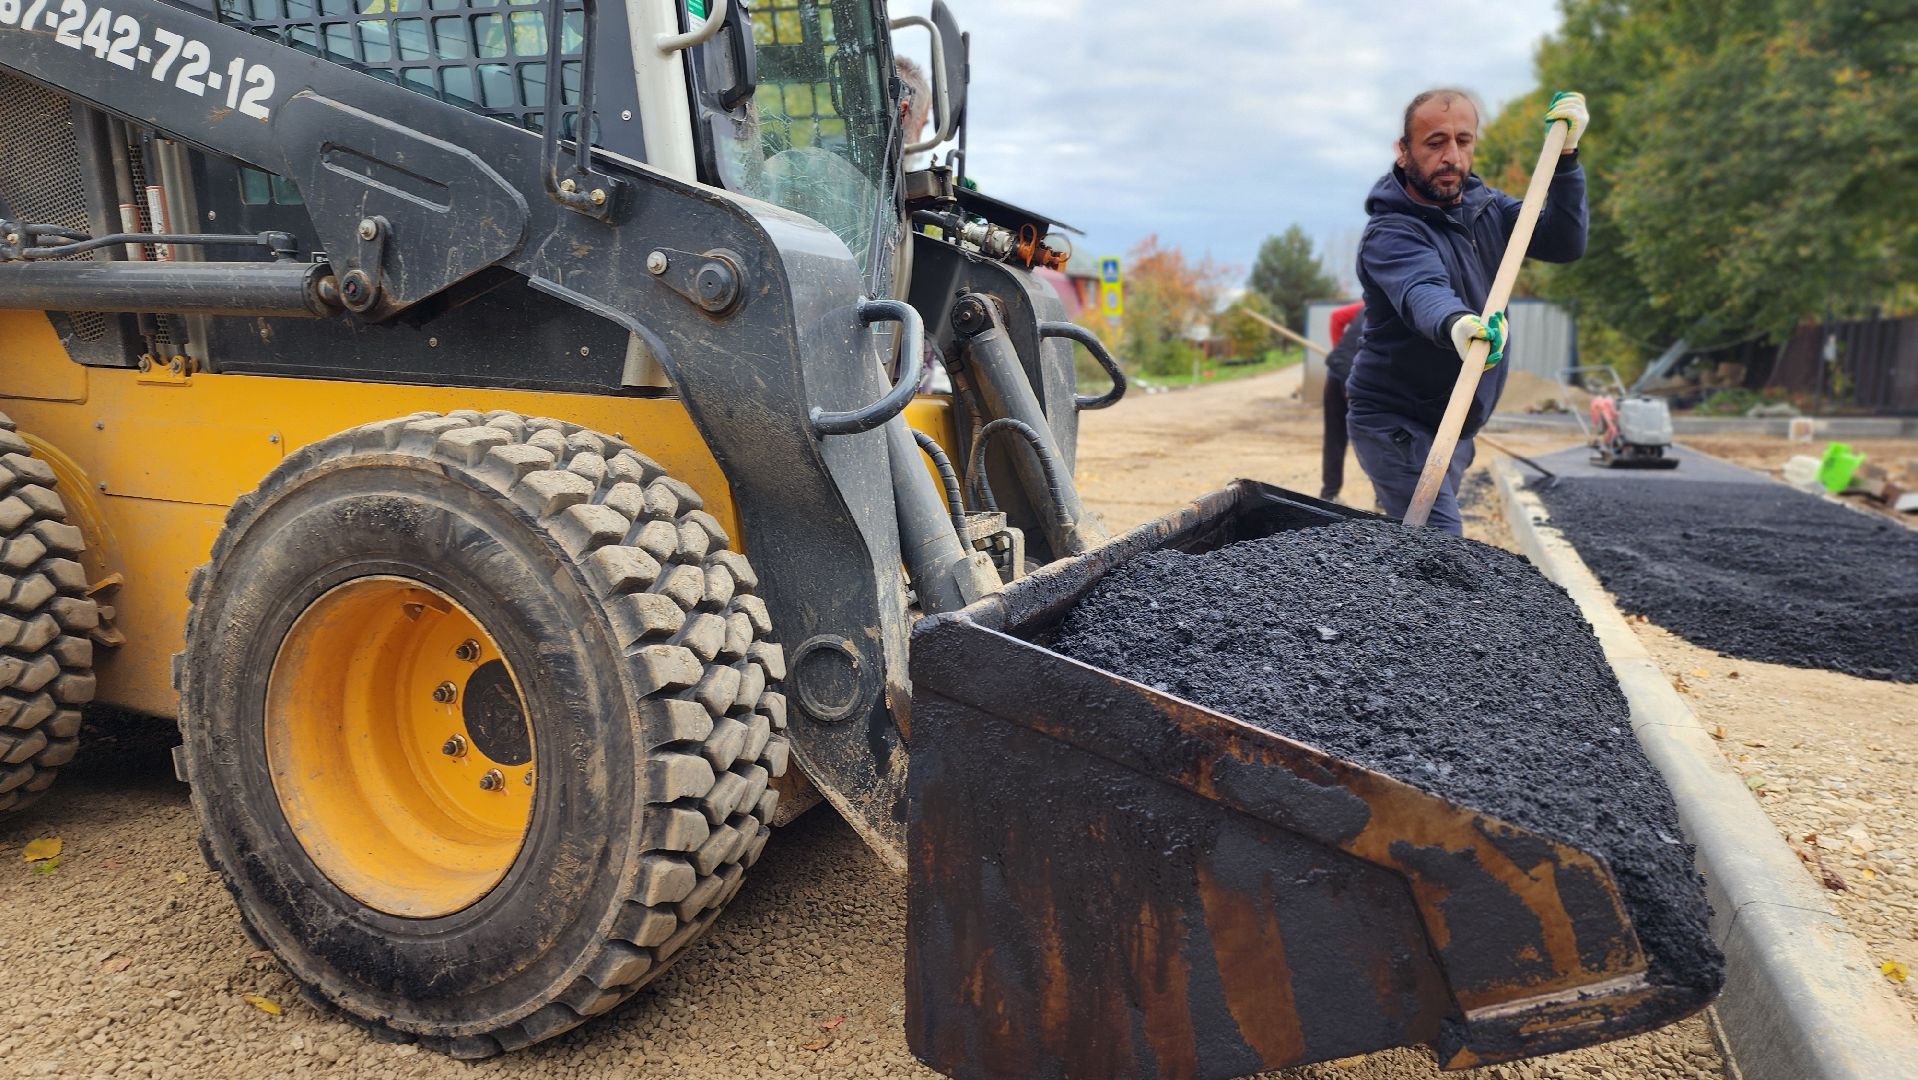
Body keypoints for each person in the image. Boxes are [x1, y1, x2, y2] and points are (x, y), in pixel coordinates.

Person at [1345, 88, 1590, 534]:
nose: (1452, 156)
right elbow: (1422, 289)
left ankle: (1386, 596)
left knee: (1415, 549)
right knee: (1441, 547)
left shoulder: (1488, 209)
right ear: (1403, 151)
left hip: (1454, 423)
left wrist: (1567, 160)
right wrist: (1457, 324)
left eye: (1464, 140)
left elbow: (1564, 241)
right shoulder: (1391, 230)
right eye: (1435, 142)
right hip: (1395, 420)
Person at [1320, 299, 1363, 502]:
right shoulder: (1404, 307)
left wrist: (1340, 353)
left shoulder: (1367, 302)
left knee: (1334, 436)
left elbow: (1337, 316)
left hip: (1336, 371)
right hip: (1360, 376)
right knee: (1377, 434)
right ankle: (1383, 497)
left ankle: (1329, 494)